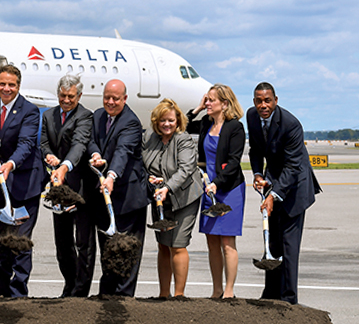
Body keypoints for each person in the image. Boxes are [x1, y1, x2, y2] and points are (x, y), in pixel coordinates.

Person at [0, 64, 46, 298]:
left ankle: (18, 293)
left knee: (20, 241)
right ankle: (1, 290)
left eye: (11, 85)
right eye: (2, 84)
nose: (6, 89)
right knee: (0, 241)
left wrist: (10, 164)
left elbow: (26, 144)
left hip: (24, 183)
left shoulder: (30, 110)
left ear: (18, 86)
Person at [247, 82, 321, 304]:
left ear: (275, 101)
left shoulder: (291, 125)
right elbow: (256, 149)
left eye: (267, 100)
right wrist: (258, 174)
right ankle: (271, 294)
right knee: (272, 244)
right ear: (254, 102)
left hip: (295, 186)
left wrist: (273, 195)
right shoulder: (252, 116)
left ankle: (289, 300)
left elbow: (293, 167)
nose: (263, 105)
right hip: (273, 181)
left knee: (288, 247)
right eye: (259, 101)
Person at [87, 79, 149, 296]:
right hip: (105, 197)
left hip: (128, 198)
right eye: (107, 97)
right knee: (108, 249)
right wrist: (95, 154)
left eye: (115, 98)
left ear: (125, 99)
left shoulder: (131, 122)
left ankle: (123, 297)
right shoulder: (97, 116)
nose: (110, 102)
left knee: (126, 250)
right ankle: (107, 294)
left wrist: (111, 176)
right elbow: (91, 140)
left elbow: (123, 151)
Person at [187, 84, 246, 299]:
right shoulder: (205, 122)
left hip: (228, 188)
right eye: (207, 99)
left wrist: (217, 184)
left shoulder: (235, 128)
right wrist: (199, 108)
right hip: (207, 187)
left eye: (212, 100)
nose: (208, 103)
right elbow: (181, 126)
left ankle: (229, 291)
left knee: (227, 242)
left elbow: (233, 163)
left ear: (225, 103)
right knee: (211, 240)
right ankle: (216, 289)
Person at [40, 74, 96, 297]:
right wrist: (49, 156)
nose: (66, 100)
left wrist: (64, 166)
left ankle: (81, 290)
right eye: (62, 95)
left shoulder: (85, 117)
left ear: (79, 96)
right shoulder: (48, 115)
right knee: (62, 244)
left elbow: (79, 145)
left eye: (71, 96)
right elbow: (43, 142)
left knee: (84, 243)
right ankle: (69, 284)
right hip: (57, 190)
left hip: (80, 189)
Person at [142, 99, 203, 298]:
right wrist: (149, 179)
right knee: (163, 244)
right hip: (160, 197)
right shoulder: (149, 137)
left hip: (184, 197)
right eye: (162, 121)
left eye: (170, 120)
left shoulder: (183, 140)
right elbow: (141, 163)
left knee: (177, 244)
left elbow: (186, 169)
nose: (166, 124)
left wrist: (167, 185)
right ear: (156, 121)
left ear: (177, 121)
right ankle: (163, 294)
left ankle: (179, 295)